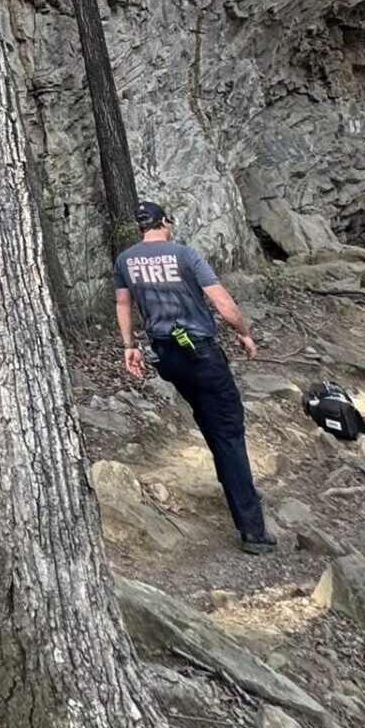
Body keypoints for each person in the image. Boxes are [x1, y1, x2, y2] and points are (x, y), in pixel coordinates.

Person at [114, 200, 276, 555]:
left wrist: (129, 346)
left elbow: (123, 304)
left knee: (209, 418)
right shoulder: (185, 255)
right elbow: (223, 303)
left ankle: (236, 487)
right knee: (228, 431)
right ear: (164, 222)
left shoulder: (125, 260)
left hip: (166, 356)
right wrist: (244, 333)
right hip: (200, 353)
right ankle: (253, 530)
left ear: (142, 227)